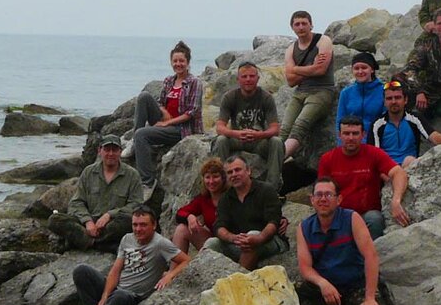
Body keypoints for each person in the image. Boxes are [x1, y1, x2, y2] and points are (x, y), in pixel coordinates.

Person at [71, 205, 189, 305]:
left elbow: (186, 260)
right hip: (117, 290)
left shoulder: (160, 243)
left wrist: (170, 274)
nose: (138, 229)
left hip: (133, 298)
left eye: (143, 225)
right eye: (135, 225)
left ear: (154, 225)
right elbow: (115, 270)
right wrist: (104, 297)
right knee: (81, 271)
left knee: (121, 296)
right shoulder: (127, 239)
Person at [296, 177, 383, 305]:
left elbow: (371, 256)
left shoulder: (352, 219)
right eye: (319, 195)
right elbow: (305, 267)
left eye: (328, 195)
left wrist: (370, 297)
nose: (323, 199)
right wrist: (323, 283)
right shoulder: (304, 227)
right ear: (312, 200)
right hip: (328, 286)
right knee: (296, 294)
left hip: (356, 284)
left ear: (339, 199)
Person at [317, 118, 408, 239]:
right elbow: (320, 192)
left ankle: (370, 256)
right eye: (346, 133)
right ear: (339, 135)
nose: (350, 138)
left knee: (375, 219)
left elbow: (399, 173)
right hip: (339, 215)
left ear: (363, 135)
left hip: (368, 215)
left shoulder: (374, 153)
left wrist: (396, 201)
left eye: (355, 133)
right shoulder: (327, 159)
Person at [49, 134, 144, 251]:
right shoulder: (88, 172)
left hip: (113, 224)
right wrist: (87, 221)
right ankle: (99, 244)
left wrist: (109, 215)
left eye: (114, 150)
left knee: (130, 221)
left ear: (120, 151)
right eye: (107, 149)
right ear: (100, 151)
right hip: (89, 222)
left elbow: (136, 205)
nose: (110, 154)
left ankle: (82, 241)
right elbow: (76, 203)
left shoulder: (132, 175)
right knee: (54, 220)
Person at [131, 41, 203, 193]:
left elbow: (192, 112)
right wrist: (164, 114)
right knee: (144, 96)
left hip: (182, 129)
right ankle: (134, 143)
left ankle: (147, 183)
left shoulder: (195, 83)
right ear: (171, 62)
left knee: (141, 135)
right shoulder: (169, 81)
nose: (178, 64)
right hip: (167, 121)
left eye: (181, 61)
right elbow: (160, 102)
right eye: (175, 61)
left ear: (188, 62)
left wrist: (167, 123)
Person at [202, 154, 288, 269]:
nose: (234, 175)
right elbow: (219, 226)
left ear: (248, 171)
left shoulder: (266, 190)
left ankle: (237, 282)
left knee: (252, 235)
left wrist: (259, 238)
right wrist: (233, 238)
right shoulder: (226, 198)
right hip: (238, 243)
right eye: (229, 172)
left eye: (237, 170)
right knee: (211, 243)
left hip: (269, 241)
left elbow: (273, 222)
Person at [211, 62, 285, 191]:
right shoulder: (229, 97)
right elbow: (220, 127)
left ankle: (272, 190)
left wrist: (259, 135)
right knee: (221, 140)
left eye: (252, 76)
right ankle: (225, 187)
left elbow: (275, 128)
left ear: (258, 78)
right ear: (238, 79)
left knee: (277, 142)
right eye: (244, 76)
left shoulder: (266, 98)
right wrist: (236, 134)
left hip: (259, 141)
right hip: (238, 140)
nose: (248, 79)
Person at [282, 11, 336, 160]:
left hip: (322, 91)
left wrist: (296, 69)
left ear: (311, 25)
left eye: (304, 23)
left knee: (299, 127)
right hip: (300, 92)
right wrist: (310, 67)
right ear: (292, 27)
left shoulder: (323, 41)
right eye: (297, 24)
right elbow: (290, 81)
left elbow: (321, 70)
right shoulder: (291, 49)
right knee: (284, 130)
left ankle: (278, 160)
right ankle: (273, 158)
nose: (301, 27)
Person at [369, 81, 441, 167]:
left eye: (398, 97)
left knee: (409, 160)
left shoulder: (415, 119)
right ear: (384, 102)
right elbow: (374, 155)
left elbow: (433, 136)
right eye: (389, 98)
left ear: (405, 100)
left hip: (410, 167)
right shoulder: (377, 125)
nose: (394, 101)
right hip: (388, 170)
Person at [172, 157, 228, 254]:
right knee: (181, 229)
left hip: (232, 241)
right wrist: (189, 216)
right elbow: (180, 213)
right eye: (207, 177)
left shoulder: (230, 196)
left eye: (215, 177)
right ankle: (176, 267)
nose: (211, 181)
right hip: (213, 241)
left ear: (223, 178)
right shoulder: (203, 199)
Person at [334, 52, 385, 142]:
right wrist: (341, 145)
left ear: (372, 69)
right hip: (351, 142)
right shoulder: (346, 93)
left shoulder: (383, 91)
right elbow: (340, 121)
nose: (360, 71)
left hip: (376, 141)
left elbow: (387, 121)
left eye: (364, 68)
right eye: (356, 68)